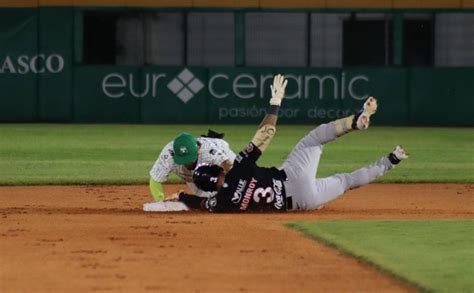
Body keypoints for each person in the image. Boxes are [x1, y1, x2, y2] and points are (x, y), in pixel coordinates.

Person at [174, 74, 408, 212]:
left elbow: (201, 204)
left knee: (346, 181)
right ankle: (354, 121)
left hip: (301, 202)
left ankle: (392, 159)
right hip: (292, 176)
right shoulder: (237, 168)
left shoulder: (221, 203)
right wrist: (275, 102)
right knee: (315, 139)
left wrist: (182, 198)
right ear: (217, 168)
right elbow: (265, 134)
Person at [148, 130, 236, 201]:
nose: (187, 163)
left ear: (197, 150)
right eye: (183, 160)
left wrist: (233, 188)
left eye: (190, 159)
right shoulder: (168, 155)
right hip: (193, 176)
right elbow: (155, 180)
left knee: (238, 178)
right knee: (207, 200)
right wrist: (160, 201)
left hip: (222, 151)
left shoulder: (210, 151)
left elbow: (229, 166)